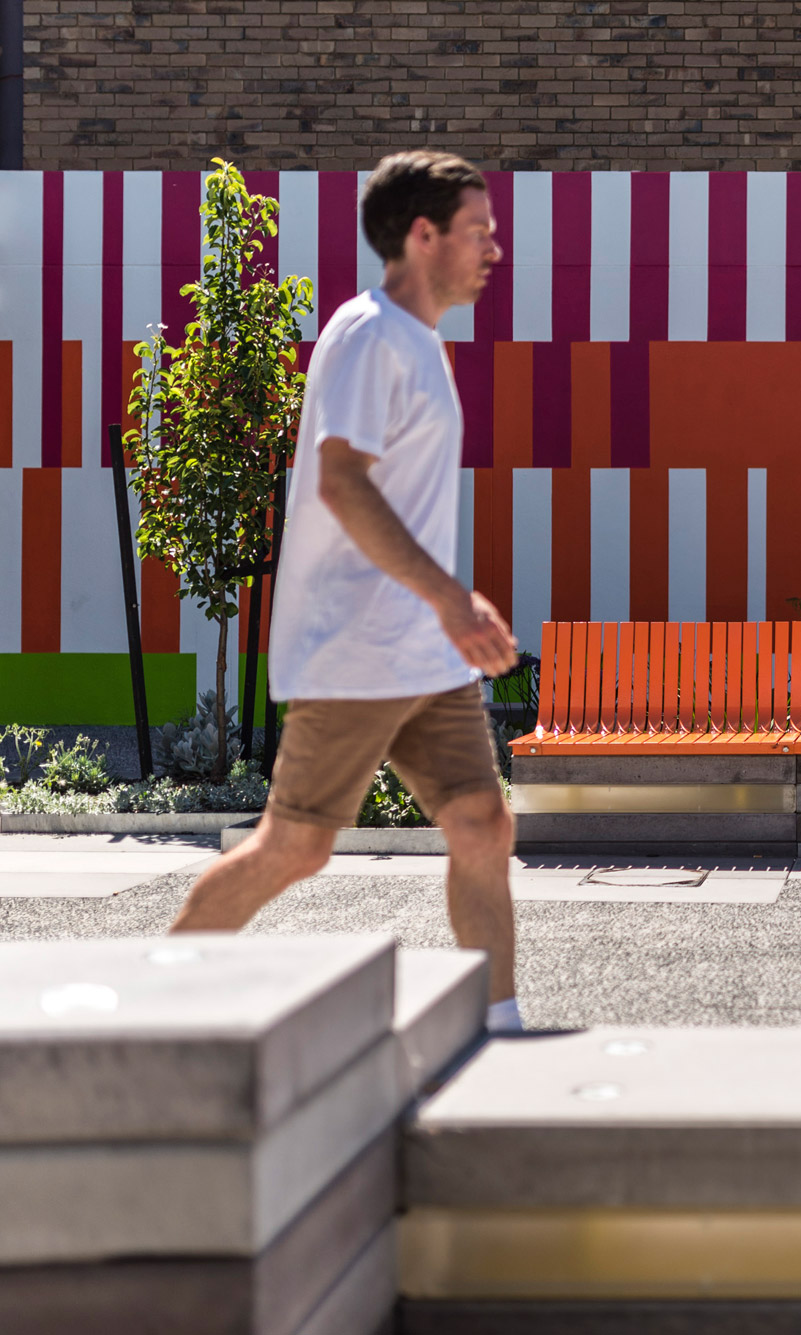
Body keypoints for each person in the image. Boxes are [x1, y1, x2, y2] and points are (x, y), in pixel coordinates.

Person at [170, 151, 525, 1034]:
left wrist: (441, 611)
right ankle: (149, 1002)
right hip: (357, 648)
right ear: (423, 235)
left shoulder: (420, 343)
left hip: (423, 650)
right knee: (296, 845)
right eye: (478, 231)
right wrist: (452, 597)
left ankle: (500, 1023)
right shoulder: (370, 336)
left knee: (482, 824)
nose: (495, 248)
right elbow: (342, 482)